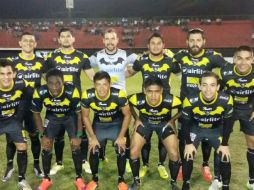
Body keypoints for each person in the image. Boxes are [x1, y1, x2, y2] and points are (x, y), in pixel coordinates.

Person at [173, 28, 227, 182]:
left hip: (206, 106)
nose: (195, 43)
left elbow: (229, 71)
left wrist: (221, 90)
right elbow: (169, 64)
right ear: (187, 42)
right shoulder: (181, 56)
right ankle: (184, 165)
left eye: (198, 40)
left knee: (206, 136)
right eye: (192, 40)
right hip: (186, 106)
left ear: (204, 41)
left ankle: (205, 165)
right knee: (184, 137)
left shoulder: (212, 57)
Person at [126, 32, 180, 179]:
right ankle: (145, 165)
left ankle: (161, 165)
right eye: (153, 43)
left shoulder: (170, 62)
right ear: (148, 46)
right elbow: (129, 73)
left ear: (163, 46)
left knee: (164, 139)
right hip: (146, 104)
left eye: (159, 43)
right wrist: (114, 75)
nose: (156, 46)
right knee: (146, 138)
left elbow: (182, 75)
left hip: (165, 106)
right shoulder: (142, 61)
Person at [46, 28, 95, 175]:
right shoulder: (51, 56)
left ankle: (84, 160)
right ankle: (59, 162)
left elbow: (92, 77)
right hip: (56, 102)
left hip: (76, 103)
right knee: (59, 134)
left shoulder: (81, 56)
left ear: (73, 39)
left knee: (81, 134)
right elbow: (45, 75)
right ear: (59, 39)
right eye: (63, 36)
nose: (66, 39)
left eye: (68, 36)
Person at [89, 28, 138, 172]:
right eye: (107, 38)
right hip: (102, 98)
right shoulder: (97, 56)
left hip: (120, 99)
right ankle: (101, 156)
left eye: (113, 38)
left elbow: (141, 62)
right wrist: (95, 80)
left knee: (124, 129)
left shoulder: (125, 54)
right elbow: (84, 64)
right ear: (103, 40)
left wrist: (128, 73)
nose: (110, 41)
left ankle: (127, 158)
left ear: (117, 40)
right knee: (100, 124)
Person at [31, 68, 86, 190]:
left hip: (69, 116)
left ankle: (79, 177)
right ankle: (46, 179)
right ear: (46, 82)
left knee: (76, 145)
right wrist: (42, 135)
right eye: (50, 83)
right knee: (46, 145)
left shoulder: (72, 91)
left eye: (58, 83)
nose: (54, 87)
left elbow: (78, 114)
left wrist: (78, 135)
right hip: (52, 117)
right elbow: (36, 113)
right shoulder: (40, 92)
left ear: (63, 82)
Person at [2, 32, 46, 182]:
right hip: (15, 107)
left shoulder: (42, 61)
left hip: (33, 107)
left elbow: (50, 80)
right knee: (11, 138)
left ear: (35, 44)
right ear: (20, 43)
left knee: (34, 137)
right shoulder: (12, 61)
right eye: (25, 41)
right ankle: (9, 166)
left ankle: (36, 164)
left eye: (31, 41)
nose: (28, 43)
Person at [181, 71, 233, 190]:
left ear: (218, 87)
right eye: (204, 85)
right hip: (196, 128)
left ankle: (225, 186)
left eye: (212, 85)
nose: (208, 89)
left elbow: (228, 124)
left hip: (215, 129)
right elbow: (185, 124)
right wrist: (188, 143)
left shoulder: (226, 100)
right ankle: (186, 183)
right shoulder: (190, 100)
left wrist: (225, 144)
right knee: (188, 154)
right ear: (199, 86)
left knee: (225, 155)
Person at [128, 76, 182, 190]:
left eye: (157, 92)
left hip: (163, 124)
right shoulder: (137, 98)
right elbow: (127, 103)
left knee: (174, 154)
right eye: (149, 92)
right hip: (145, 124)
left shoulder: (171, 100)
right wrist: (136, 118)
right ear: (144, 90)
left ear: (161, 90)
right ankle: (136, 181)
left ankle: (173, 182)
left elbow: (184, 107)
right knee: (133, 151)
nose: (153, 96)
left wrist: (173, 120)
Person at [81, 71, 131, 190]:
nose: (102, 88)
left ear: (110, 84)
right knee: (94, 149)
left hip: (116, 123)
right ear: (94, 84)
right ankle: (94, 179)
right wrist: (92, 137)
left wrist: (121, 137)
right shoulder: (87, 95)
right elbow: (85, 117)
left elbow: (128, 115)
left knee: (121, 148)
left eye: (105, 84)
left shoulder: (119, 94)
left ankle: (121, 179)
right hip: (99, 124)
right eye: (98, 84)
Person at [219, 46, 254, 190]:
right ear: (234, 59)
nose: (243, 62)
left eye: (247, 58)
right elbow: (219, 90)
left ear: (252, 60)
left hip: (248, 109)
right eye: (239, 58)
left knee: (252, 143)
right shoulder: (226, 72)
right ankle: (220, 179)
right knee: (222, 142)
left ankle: (251, 180)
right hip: (230, 109)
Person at [0, 58, 32, 190]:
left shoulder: (21, 84)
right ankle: (9, 167)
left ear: (14, 73)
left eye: (8, 73)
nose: (6, 77)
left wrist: (18, 119)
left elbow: (25, 102)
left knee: (22, 146)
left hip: (13, 120)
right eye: (1, 74)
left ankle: (22, 178)